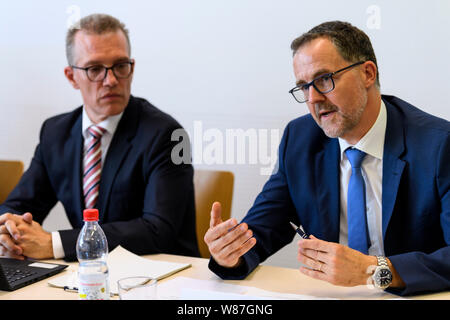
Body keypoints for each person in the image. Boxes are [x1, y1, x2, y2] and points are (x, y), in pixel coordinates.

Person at [204, 21, 449, 296]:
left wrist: (372, 271)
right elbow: (260, 232)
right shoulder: (299, 140)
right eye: (303, 87)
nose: (313, 99)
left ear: (367, 74)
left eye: (324, 79)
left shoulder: (438, 145)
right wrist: (229, 253)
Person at [0, 14, 199, 261]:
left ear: (132, 67)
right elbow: (18, 206)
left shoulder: (167, 134)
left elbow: (158, 231)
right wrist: (7, 230)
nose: (111, 80)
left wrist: (54, 243)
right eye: (95, 69)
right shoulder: (56, 132)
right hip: (83, 278)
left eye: (120, 66)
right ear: (72, 77)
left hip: (161, 277)